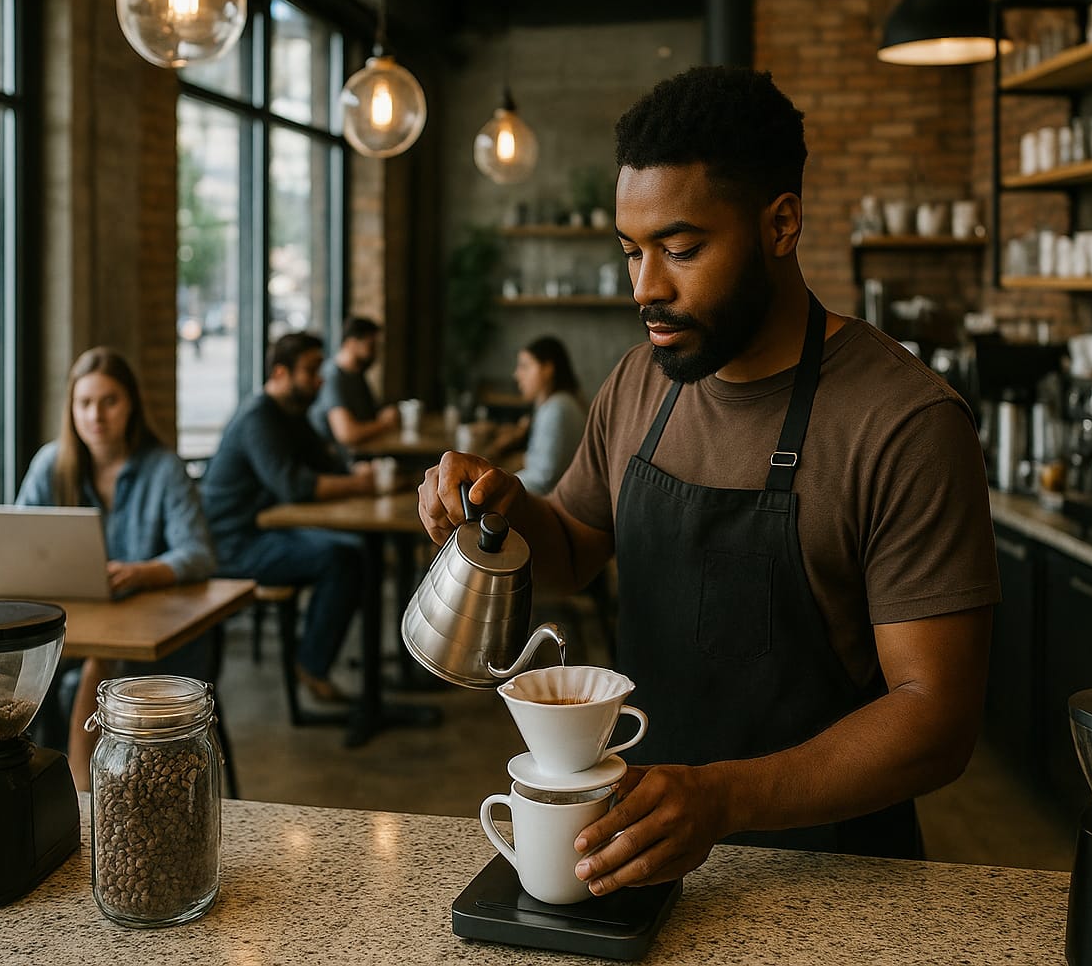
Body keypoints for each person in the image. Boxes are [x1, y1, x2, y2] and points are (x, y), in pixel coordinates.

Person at [418, 66, 999, 896]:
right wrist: (504, 513)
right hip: (641, 849)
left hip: (833, 878)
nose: (647, 288)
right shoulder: (638, 383)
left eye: (681, 250)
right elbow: (576, 550)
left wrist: (722, 799)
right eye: (631, 252)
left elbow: (937, 716)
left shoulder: (904, 422)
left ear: (782, 224)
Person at [16, 347, 217, 790]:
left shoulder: (162, 468)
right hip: (69, 624)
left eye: (110, 401)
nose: (97, 415)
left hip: (149, 633)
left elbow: (198, 553)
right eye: (84, 403)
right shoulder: (52, 464)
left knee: (95, 666)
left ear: (131, 406)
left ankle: (83, 799)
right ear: (71, 409)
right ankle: (29, 794)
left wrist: (145, 571)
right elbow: (16, 537)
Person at [199, 331, 375, 705]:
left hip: (263, 531)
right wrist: (359, 486)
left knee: (353, 551)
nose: (319, 380)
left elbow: (326, 465)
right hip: (231, 544)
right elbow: (295, 486)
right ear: (280, 372)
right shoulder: (258, 417)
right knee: (342, 557)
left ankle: (318, 661)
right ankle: (311, 666)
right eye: (310, 371)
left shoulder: (290, 415)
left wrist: (354, 473)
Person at [486, 336, 588, 496]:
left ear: (547, 369)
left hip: (551, 506)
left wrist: (497, 488)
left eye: (525, 366)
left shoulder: (558, 408)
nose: (517, 374)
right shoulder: (555, 404)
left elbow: (543, 478)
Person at [311, 316, 399, 456]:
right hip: (340, 460)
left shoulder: (356, 374)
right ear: (351, 343)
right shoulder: (333, 377)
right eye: (371, 346)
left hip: (361, 453)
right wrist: (385, 424)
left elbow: (372, 414)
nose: (375, 353)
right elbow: (347, 434)